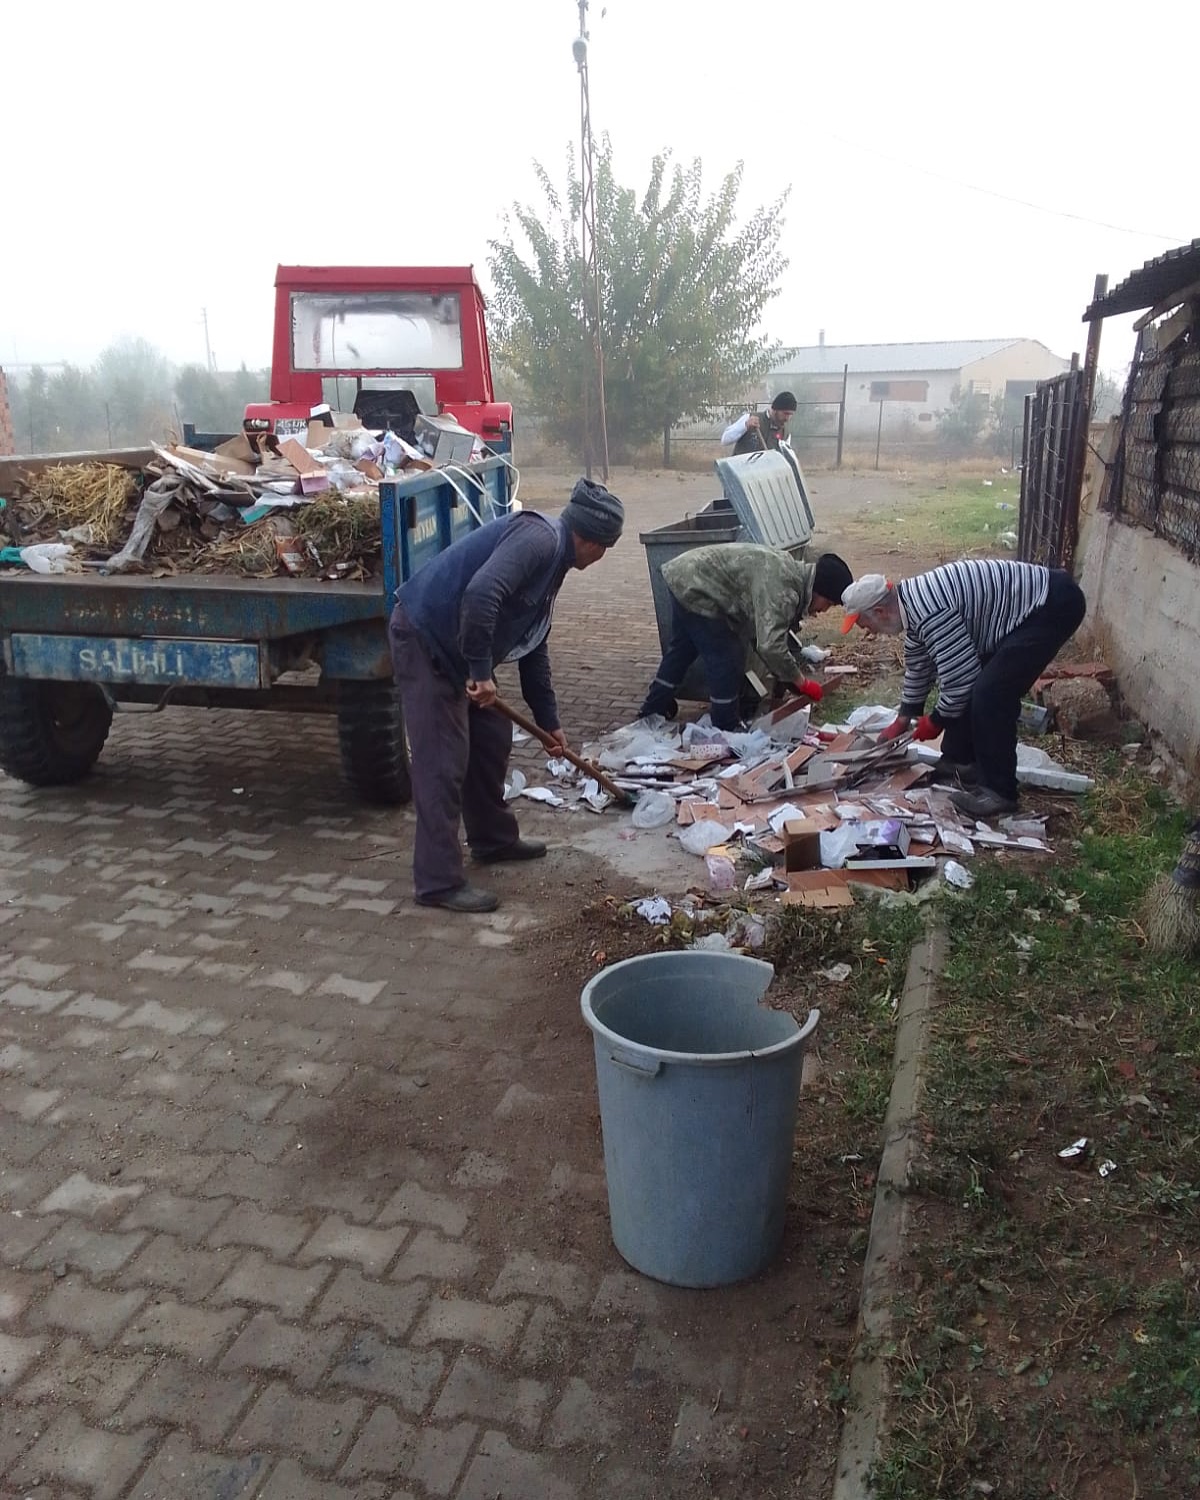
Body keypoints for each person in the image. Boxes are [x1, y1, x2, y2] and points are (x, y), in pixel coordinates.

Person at [390, 478, 624, 913]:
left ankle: (493, 839)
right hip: (426, 639)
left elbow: (535, 646)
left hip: (458, 649)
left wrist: (549, 722)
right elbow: (482, 594)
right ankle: (437, 882)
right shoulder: (539, 539)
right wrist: (481, 672)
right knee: (443, 760)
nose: (602, 557)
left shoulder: (554, 564)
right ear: (589, 540)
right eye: (605, 547)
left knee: (491, 734)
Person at [840, 559, 1087, 818]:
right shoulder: (911, 607)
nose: (868, 632)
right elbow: (918, 666)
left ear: (880, 612)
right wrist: (904, 718)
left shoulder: (929, 611)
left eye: (864, 625)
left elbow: (960, 680)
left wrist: (935, 721)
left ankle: (999, 793)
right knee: (979, 683)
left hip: (1050, 605)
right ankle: (961, 761)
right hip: (1030, 607)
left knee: (991, 693)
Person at [639, 546, 853, 730]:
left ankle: (652, 708)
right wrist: (801, 682)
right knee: (726, 657)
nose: (825, 610)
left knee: (683, 649)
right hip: (697, 585)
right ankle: (726, 727)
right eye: (830, 604)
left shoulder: (792, 576)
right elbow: (771, 646)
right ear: (820, 592)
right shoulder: (784, 590)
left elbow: (761, 634)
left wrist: (787, 677)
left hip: (686, 575)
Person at [721, 392, 798, 455]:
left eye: (790, 414)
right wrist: (745, 426)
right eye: (785, 413)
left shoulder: (785, 434)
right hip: (740, 472)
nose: (787, 418)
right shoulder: (750, 418)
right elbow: (725, 440)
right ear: (775, 410)